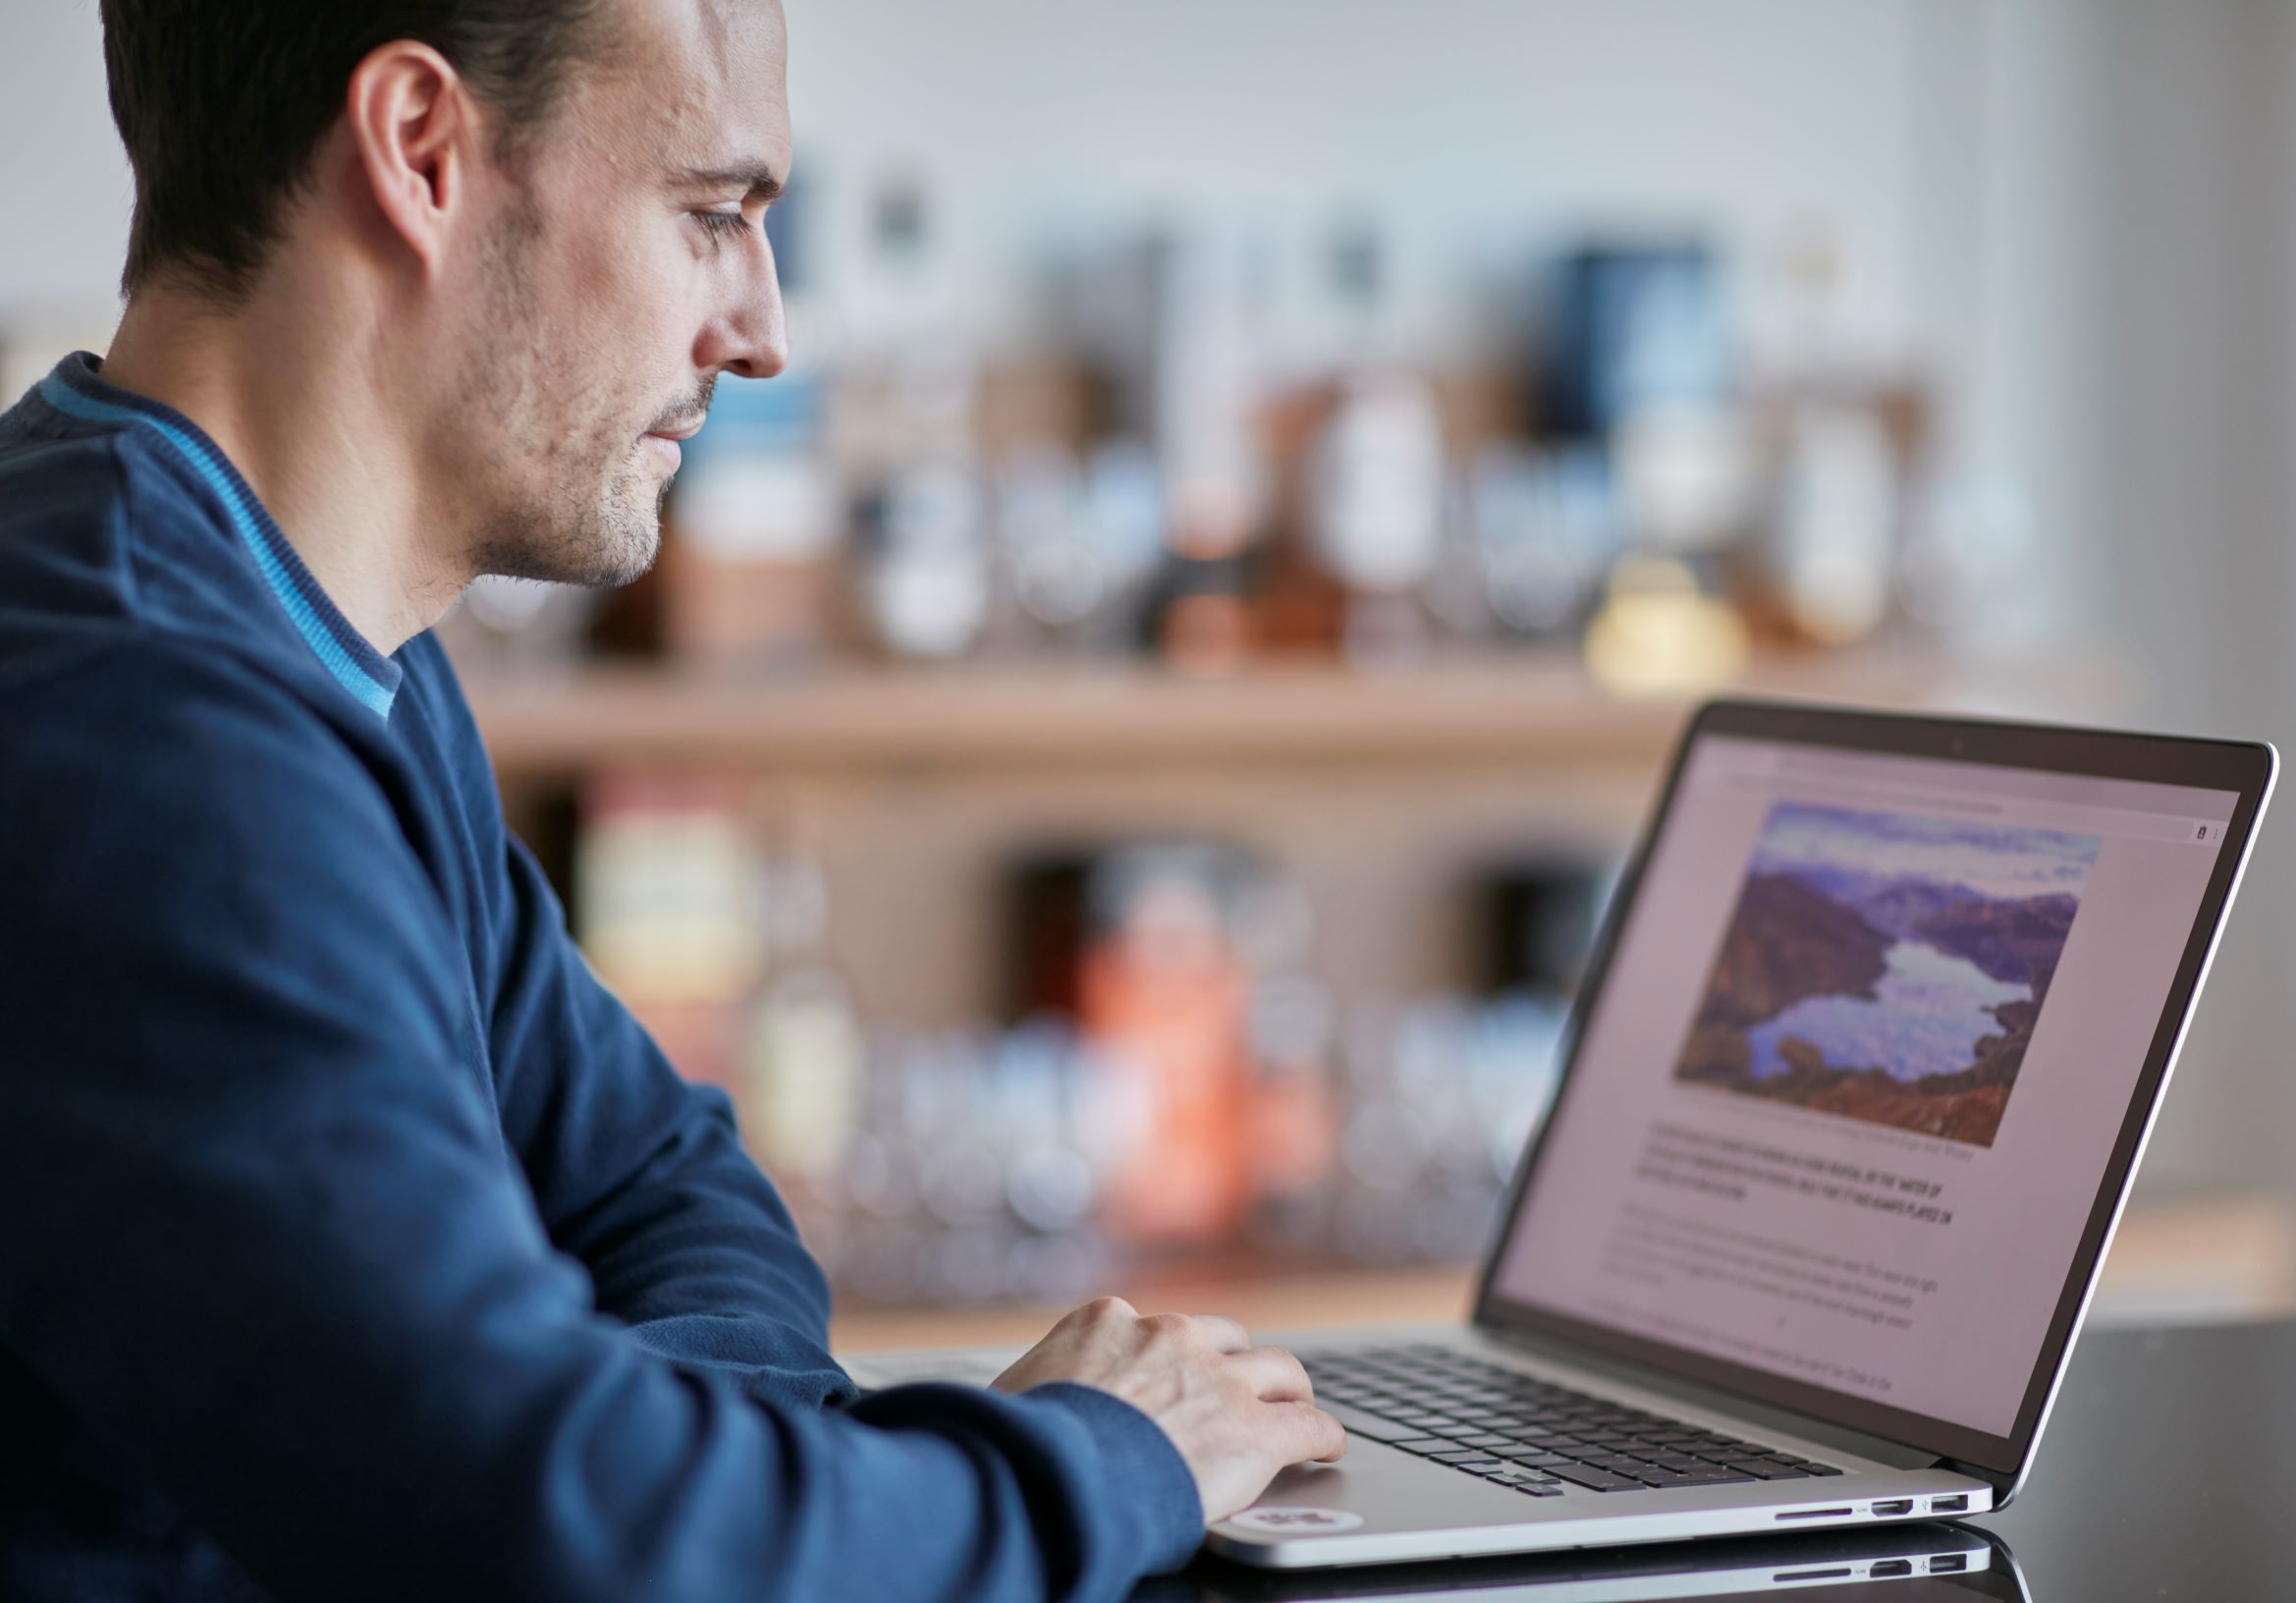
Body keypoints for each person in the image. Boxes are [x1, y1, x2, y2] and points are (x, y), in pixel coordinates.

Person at [0, 2, 1345, 1599]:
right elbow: (588, 1544)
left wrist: (693, 1478)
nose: (764, 331)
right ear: (421, 152)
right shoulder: (143, 727)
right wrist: (1105, 1461)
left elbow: (658, 1187)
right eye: (710, 215)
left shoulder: (316, 638)